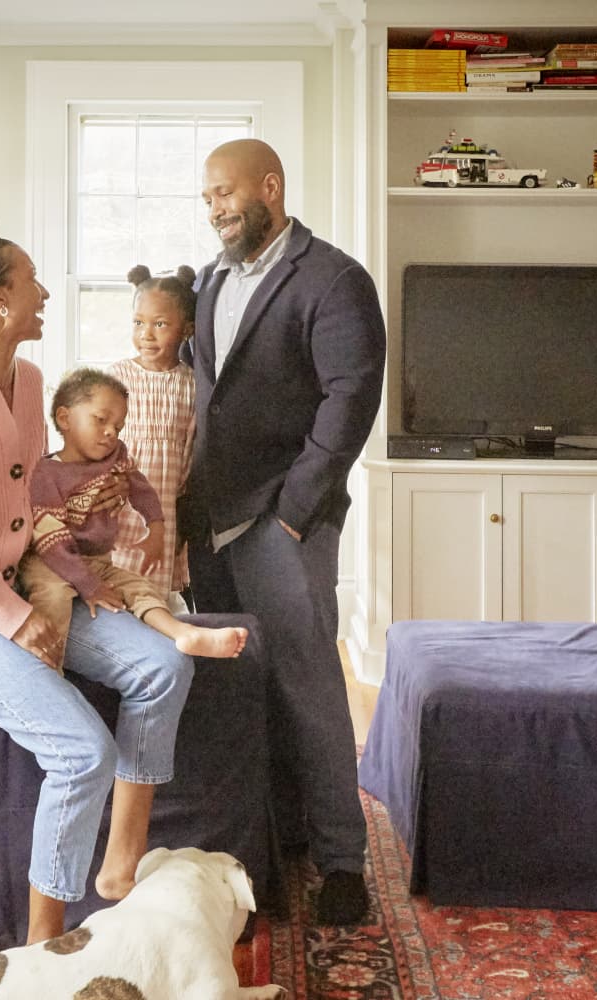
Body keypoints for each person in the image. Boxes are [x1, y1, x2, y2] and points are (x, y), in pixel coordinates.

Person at [0, 231, 196, 944]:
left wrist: (84, 551)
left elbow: (26, 503)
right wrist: (12, 619)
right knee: (84, 754)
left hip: (18, 576)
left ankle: (120, 864)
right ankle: (44, 951)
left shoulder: (25, 381)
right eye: (32, 281)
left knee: (164, 664)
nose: (45, 292)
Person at [182, 138, 386, 925]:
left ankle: (342, 862)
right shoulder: (209, 281)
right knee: (241, 693)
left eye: (226, 192)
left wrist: (295, 512)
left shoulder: (333, 279)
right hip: (212, 521)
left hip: (282, 522)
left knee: (307, 687)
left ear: (271, 185)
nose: (216, 208)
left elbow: (350, 399)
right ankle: (277, 843)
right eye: (207, 198)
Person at [18, 367, 247, 666]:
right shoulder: (45, 474)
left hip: (100, 561)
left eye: (118, 426)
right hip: (52, 561)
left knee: (141, 588)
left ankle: (182, 631)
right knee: (52, 596)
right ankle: (44, 668)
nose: (112, 431)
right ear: (65, 419)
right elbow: (52, 542)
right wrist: (88, 585)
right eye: (101, 420)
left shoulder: (115, 458)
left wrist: (156, 529)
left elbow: (142, 490)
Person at [106, 264, 198, 603]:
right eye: (138, 323)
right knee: (114, 592)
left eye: (160, 324)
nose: (146, 334)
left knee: (151, 599)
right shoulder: (116, 377)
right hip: (119, 508)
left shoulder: (192, 385)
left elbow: (190, 458)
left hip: (165, 510)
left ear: (186, 329)